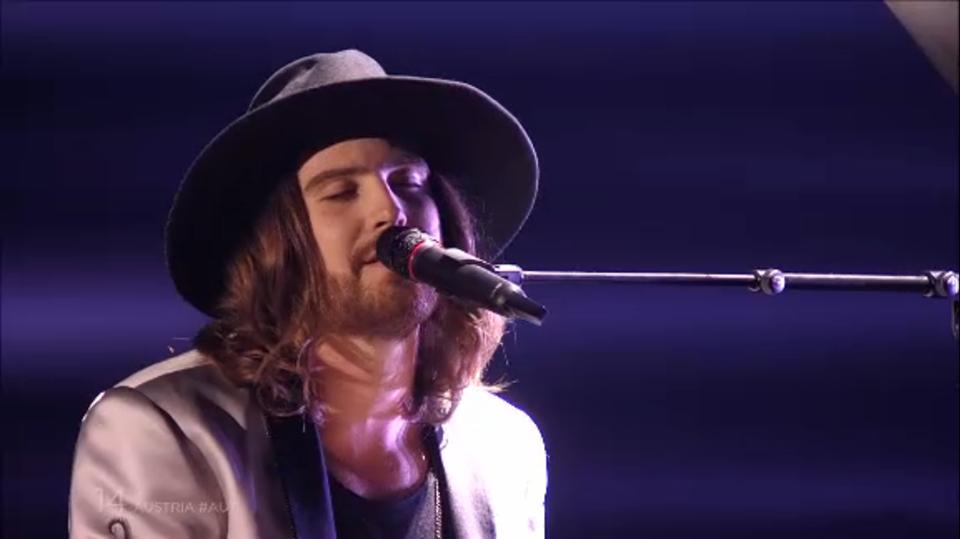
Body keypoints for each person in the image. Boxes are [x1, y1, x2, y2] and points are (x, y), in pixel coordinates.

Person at [67, 50, 547, 539]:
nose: (390, 212)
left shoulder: (506, 447)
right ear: (276, 247)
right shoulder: (164, 430)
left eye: (408, 183)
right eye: (341, 192)